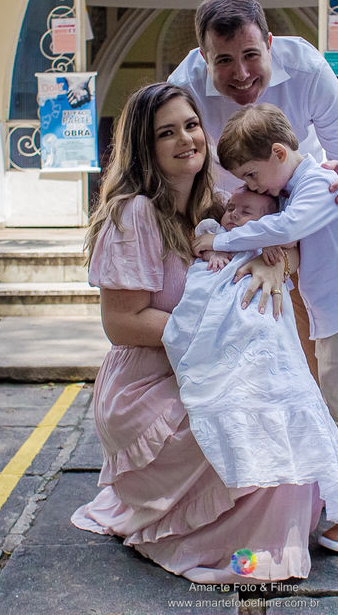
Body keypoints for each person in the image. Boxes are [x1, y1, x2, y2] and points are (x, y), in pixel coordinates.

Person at [71, 82, 322, 584]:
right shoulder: (134, 214)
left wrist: (280, 264)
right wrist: (215, 339)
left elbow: (294, 242)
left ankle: (258, 534)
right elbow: (120, 323)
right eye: (167, 132)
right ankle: (221, 544)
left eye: (190, 125)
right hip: (149, 383)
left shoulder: (224, 203)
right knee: (251, 421)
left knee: (286, 413)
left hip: (210, 368)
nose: (186, 139)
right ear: (146, 146)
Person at [193, 103, 338, 554]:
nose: (249, 186)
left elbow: (287, 226)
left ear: (279, 154)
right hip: (336, 314)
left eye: (250, 175)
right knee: (336, 404)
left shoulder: (320, 184)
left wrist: (220, 240)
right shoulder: (299, 183)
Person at [168, 0, 338, 377]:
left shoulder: (308, 70)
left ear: (270, 43)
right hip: (220, 213)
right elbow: (170, 164)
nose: (242, 74)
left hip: (297, 221)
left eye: (251, 55)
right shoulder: (184, 87)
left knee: (307, 356)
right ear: (204, 59)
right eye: (224, 61)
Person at [163, 186, 338, 525]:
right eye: (231, 208)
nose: (233, 214)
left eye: (245, 211)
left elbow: (289, 253)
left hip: (259, 307)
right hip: (219, 295)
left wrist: (274, 255)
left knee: (267, 336)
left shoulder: (269, 240)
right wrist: (215, 256)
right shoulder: (218, 232)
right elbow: (202, 246)